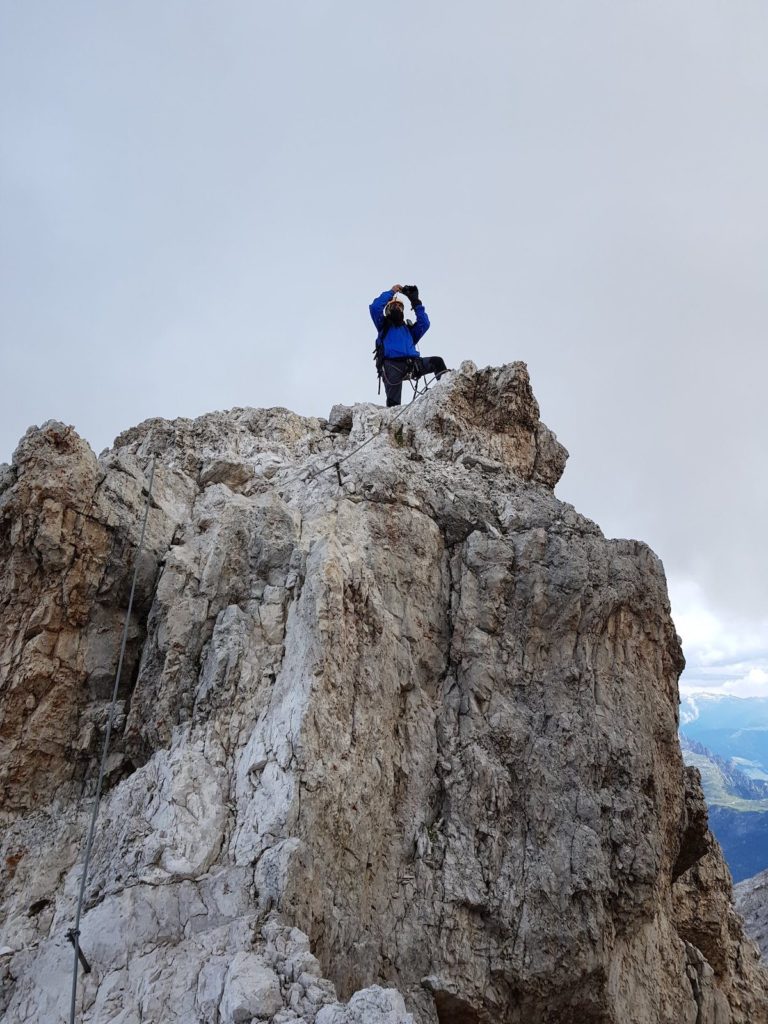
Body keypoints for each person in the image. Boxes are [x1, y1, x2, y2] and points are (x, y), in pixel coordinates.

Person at [369, 284, 448, 407]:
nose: (397, 308)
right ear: (387, 310)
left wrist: (415, 301)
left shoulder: (409, 330)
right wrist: (392, 292)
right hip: (391, 366)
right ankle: (393, 422)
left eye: (399, 307)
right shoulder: (383, 325)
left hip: (412, 364)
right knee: (394, 405)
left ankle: (447, 392)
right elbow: (375, 308)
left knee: (437, 362)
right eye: (393, 306)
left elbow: (424, 323)